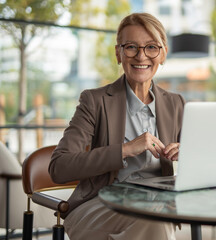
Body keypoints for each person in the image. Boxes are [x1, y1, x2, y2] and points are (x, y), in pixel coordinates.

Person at [49, 12, 185, 240]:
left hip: (158, 203)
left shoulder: (175, 103)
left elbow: (202, 163)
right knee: (158, 222)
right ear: (118, 53)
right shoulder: (94, 101)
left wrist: (187, 153)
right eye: (131, 47)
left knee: (157, 218)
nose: (141, 56)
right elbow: (59, 167)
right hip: (99, 204)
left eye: (152, 47)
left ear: (162, 55)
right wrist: (125, 149)